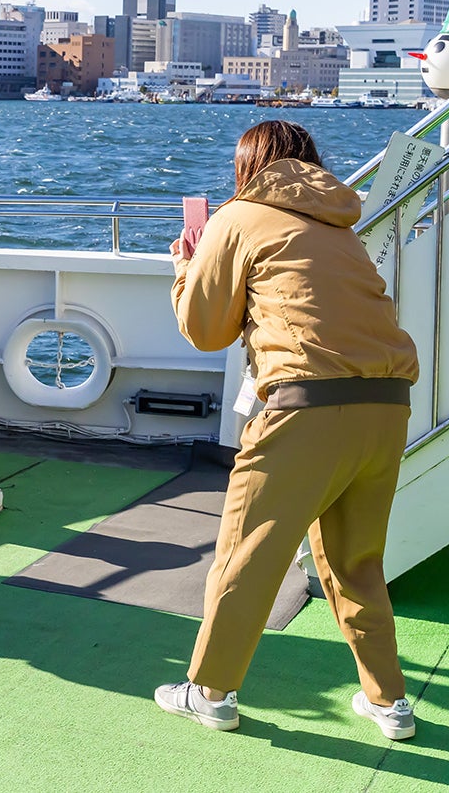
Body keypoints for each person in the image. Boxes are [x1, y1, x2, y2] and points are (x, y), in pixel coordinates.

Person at [154, 120, 422, 741]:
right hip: (386, 404)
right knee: (356, 562)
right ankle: (390, 703)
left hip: (307, 407)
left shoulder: (238, 218)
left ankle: (210, 692)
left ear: (248, 166)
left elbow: (204, 330)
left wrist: (184, 266)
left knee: (249, 550)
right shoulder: (339, 225)